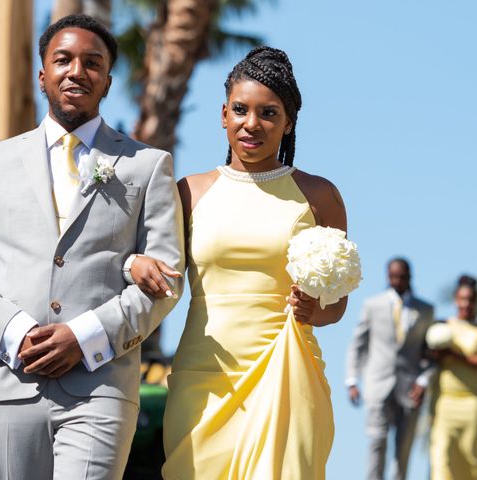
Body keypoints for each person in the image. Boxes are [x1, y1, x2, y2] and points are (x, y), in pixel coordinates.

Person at [0, 14, 184, 479]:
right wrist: (15, 333)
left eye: (92, 63)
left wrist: (85, 337)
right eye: (63, 60)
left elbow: (166, 279)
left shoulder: (148, 166)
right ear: (42, 75)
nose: (77, 71)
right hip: (8, 381)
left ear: (108, 81)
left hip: (101, 386)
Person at [128, 46, 348, 479]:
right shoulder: (189, 191)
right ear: (224, 114)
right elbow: (154, 266)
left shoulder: (320, 196)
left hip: (287, 373)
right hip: (203, 377)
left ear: (288, 123)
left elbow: (337, 304)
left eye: (269, 113)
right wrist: (134, 263)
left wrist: (316, 311)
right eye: (241, 110)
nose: (252, 124)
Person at [345, 258, 434, 480]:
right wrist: (352, 380)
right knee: (377, 440)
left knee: (403, 448)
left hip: (410, 388)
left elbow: (431, 354)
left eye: (402, 277)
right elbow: (358, 344)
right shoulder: (372, 305)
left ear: (409, 277)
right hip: (378, 384)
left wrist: (423, 381)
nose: (398, 280)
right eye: (393, 276)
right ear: (388, 276)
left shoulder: (426, 310)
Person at [429, 275, 477, 480]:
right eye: (462, 299)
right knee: (441, 455)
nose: (466, 304)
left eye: (470, 300)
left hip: (471, 401)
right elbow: (428, 357)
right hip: (444, 400)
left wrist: (456, 356)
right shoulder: (442, 326)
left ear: (476, 302)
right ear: (455, 299)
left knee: (470, 457)